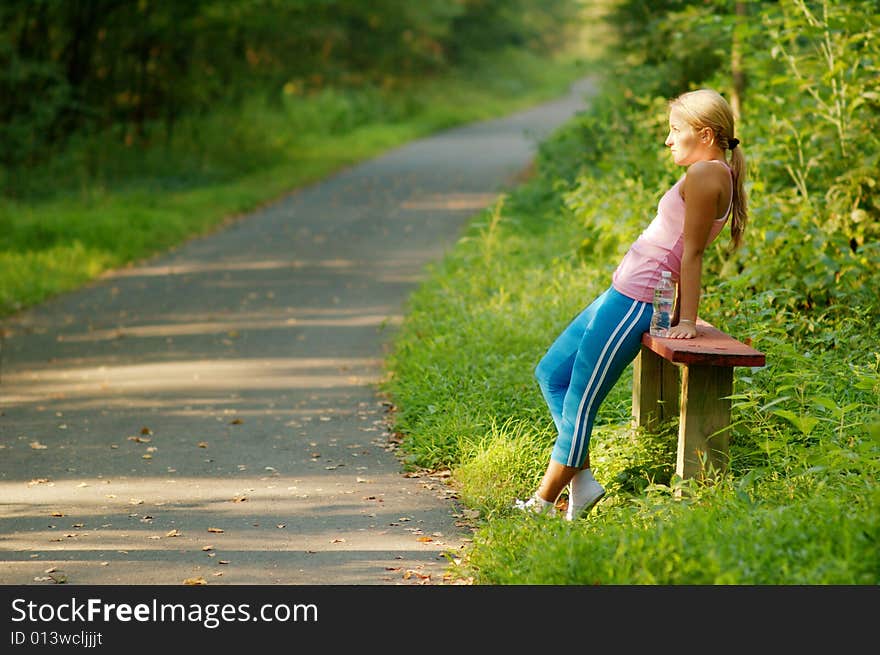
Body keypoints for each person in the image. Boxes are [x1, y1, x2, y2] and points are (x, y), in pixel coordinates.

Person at [516, 88, 749, 520]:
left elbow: (693, 253)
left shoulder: (706, 176)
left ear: (704, 133)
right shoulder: (708, 171)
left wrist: (687, 320)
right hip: (620, 293)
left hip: (636, 301)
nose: (668, 139)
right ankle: (582, 483)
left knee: (581, 400)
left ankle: (544, 503)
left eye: (674, 130)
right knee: (551, 373)